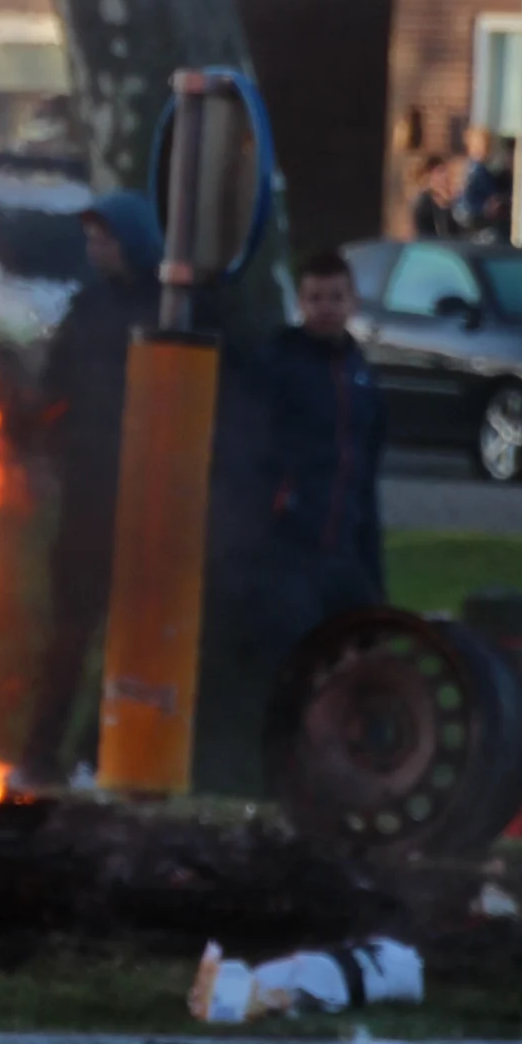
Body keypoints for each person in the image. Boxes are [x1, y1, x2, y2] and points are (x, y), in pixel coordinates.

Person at [218, 247, 389, 790]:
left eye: (335, 297)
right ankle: (285, 779)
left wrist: (371, 563)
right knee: (294, 664)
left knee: (368, 653)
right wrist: (264, 523)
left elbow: (365, 473)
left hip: (343, 547)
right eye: (315, 298)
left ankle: (353, 771)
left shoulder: (361, 376)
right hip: (287, 548)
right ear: (300, 302)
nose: (325, 308)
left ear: (352, 302)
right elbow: (244, 453)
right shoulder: (277, 365)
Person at [18, 193, 160, 787]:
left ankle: (101, 755)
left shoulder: (167, 310)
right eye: (91, 238)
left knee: (134, 635)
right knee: (69, 631)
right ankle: (41, 755)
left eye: (105, 237)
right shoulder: (88, 308)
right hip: (87, 495)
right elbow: (55, 388)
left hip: (148, 500)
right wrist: (36, 437)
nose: (94, 248)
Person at [447, 125, 510, 236]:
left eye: (487, 145)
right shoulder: (471, 171)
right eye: (481, 145)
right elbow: (464, 202)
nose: (485, 149)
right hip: (476, 226)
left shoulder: (486, 170)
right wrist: (485, 207)